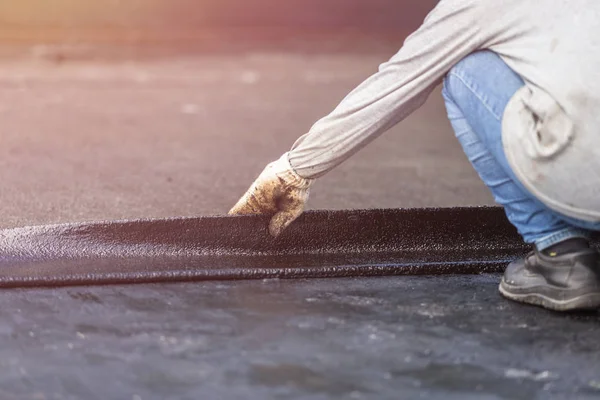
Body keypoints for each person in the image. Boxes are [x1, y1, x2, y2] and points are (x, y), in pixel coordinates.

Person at [229, 0, 600, 312]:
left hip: (584, 188)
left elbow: (397, 86)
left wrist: (293, 171)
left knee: (463, 69)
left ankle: (559, 254)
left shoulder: (474, 6)